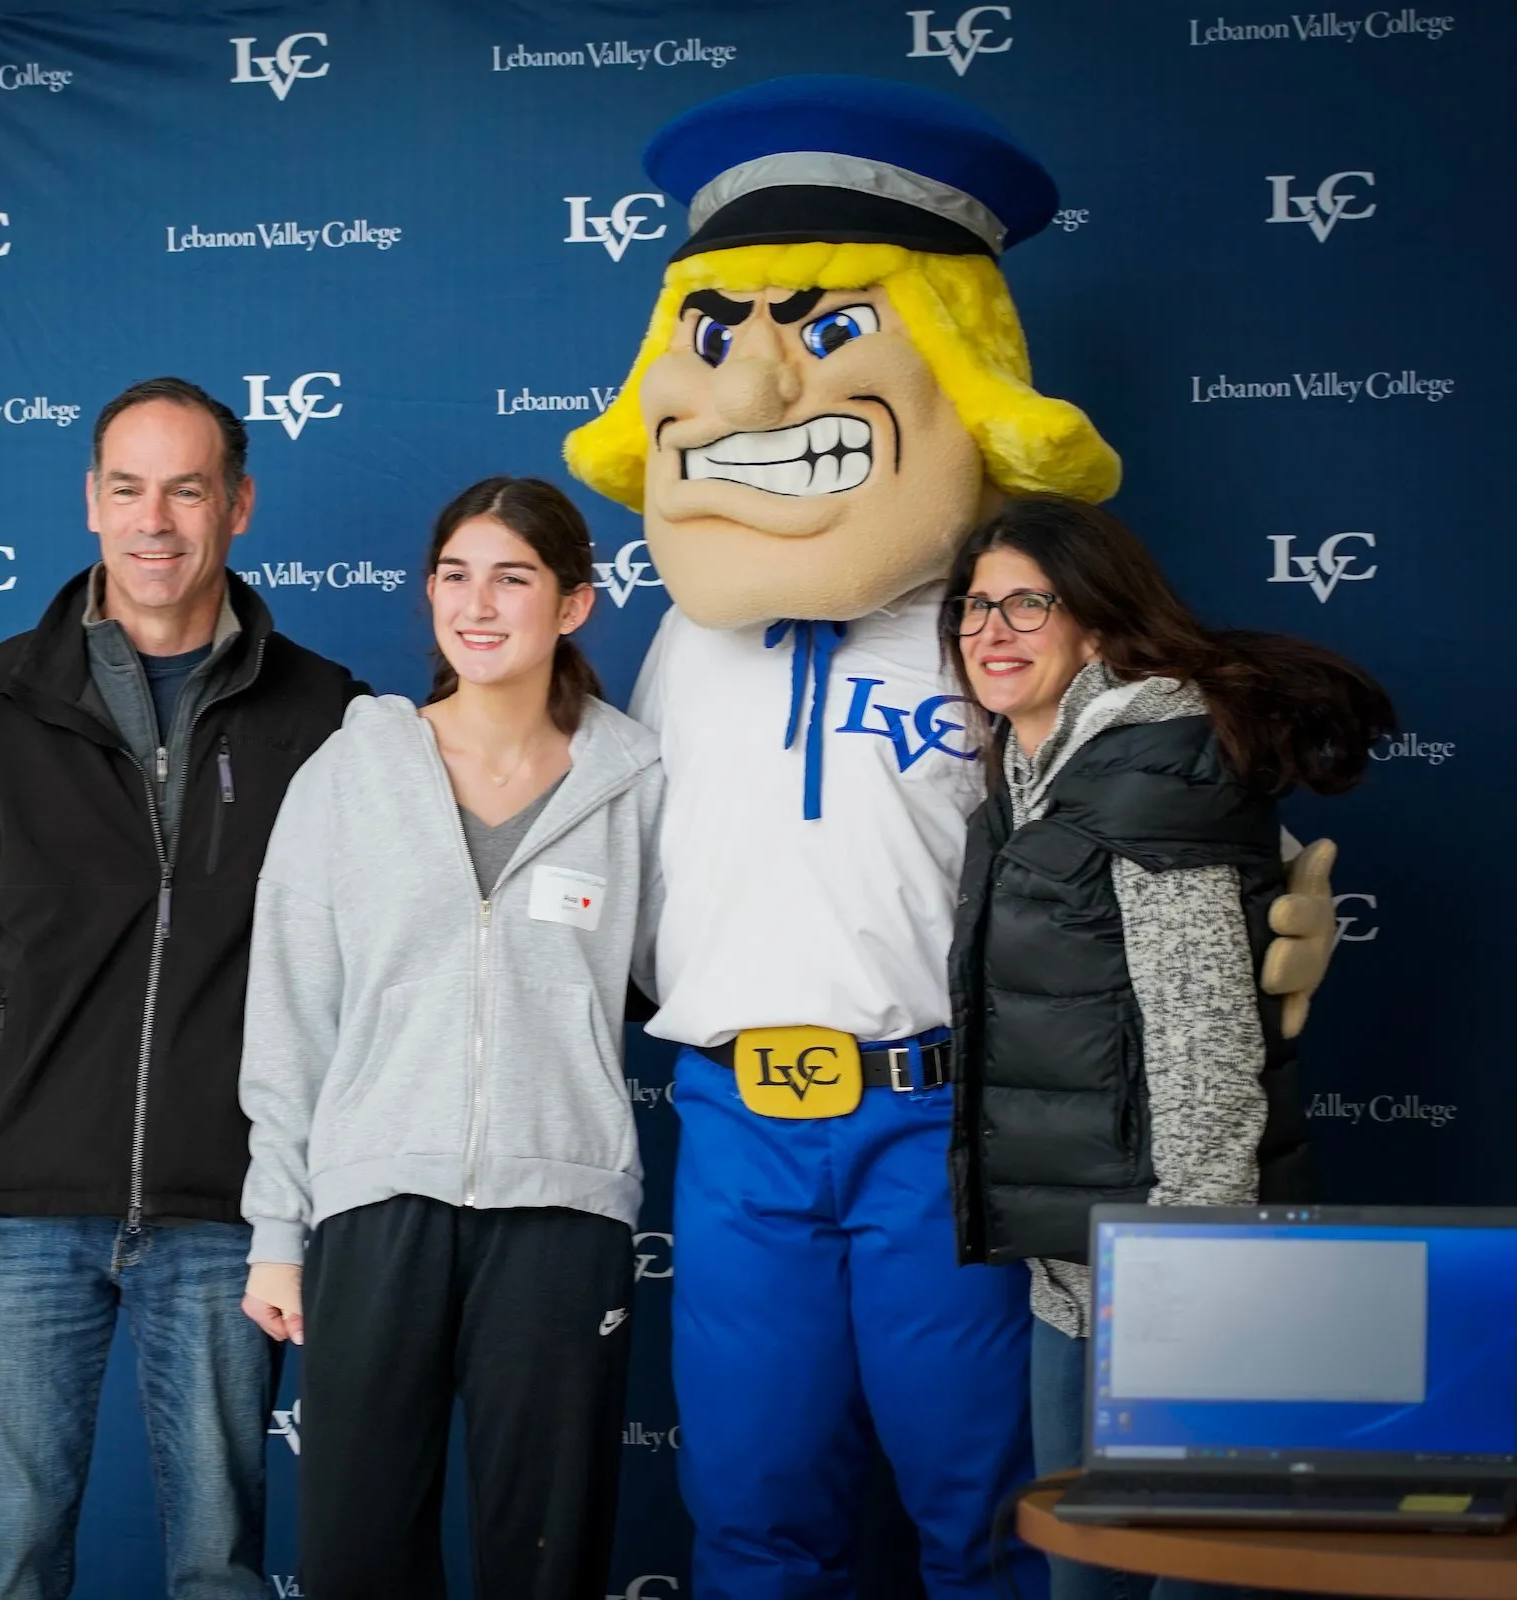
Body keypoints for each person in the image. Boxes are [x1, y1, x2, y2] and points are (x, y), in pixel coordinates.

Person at [559, 75, 1344, 1599]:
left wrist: (1257, 922)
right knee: (751, 1512)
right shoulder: (679, 640)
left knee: (983, 1509)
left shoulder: (997, 628)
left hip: (938, 1122)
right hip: (732, 1124)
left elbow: (1144, 807)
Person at [0, 377, 362, 1600]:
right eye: (129, 488)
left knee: (219, 1567)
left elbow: (359, 980)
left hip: (231, 1213)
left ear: (238, 504)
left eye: (187, 489)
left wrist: (308, 1205)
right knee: (12, 1564)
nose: (157, 520)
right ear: (91, 502)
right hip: (18, 1212)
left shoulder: (333, 715)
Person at [942, 494, 1393, 1600]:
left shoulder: (1151, 764)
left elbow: (1201, 1044)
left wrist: (1190, 1275)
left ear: (1094, 622)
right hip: (1079, 1271)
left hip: (1174, 1275)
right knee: (1084, 1576)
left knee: (1183, 1578)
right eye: (973, 605)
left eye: (1026, 603)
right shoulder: (1036, 772)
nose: (990, 629)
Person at [238, 475, 663, 1598]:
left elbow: (680, 971)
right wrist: (279, 1227)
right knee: (358, 1553)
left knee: (546, 1555)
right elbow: (289, 1012)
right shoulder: (350, 771)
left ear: (573, 603)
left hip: (562, 1213)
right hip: (376, 1206)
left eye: (513, 577)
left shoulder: (638, 780)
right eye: (456, 575)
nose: (478, 605)